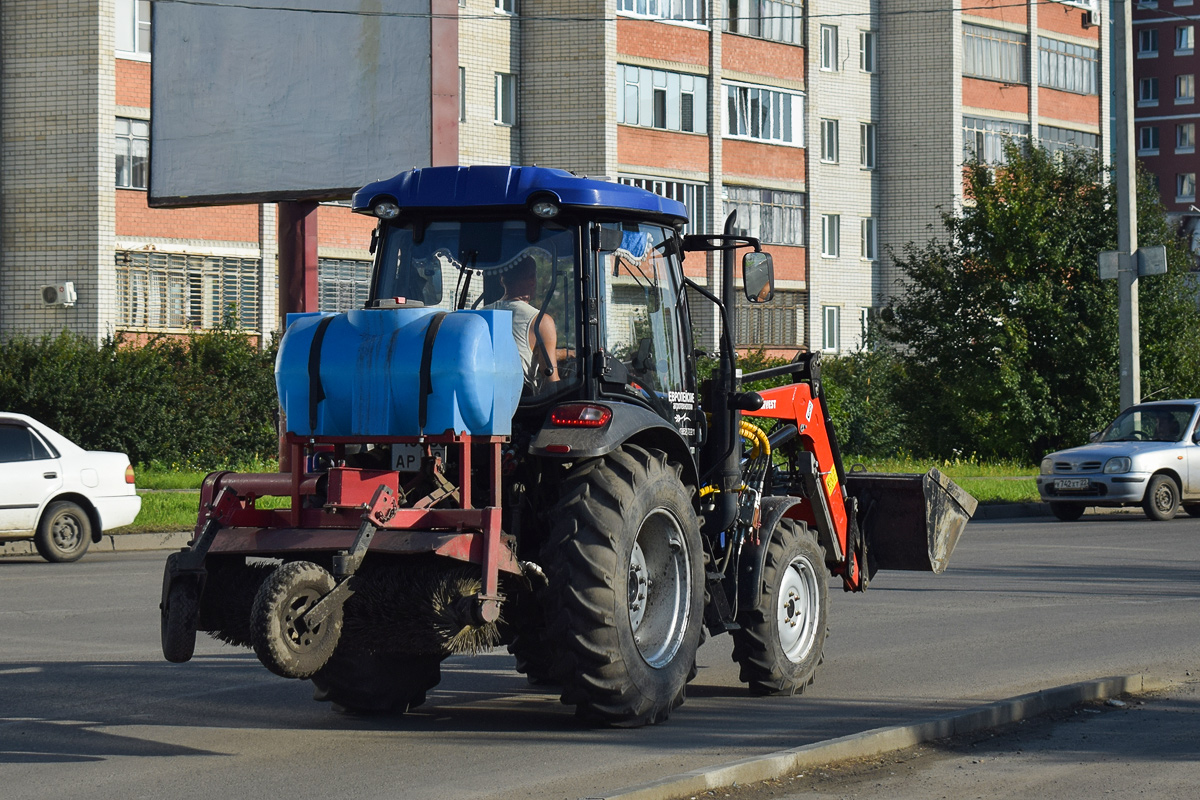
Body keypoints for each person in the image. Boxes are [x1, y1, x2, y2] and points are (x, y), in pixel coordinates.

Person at [489, 255, 558, 391]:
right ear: (532, 281)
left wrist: (565, 353)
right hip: (521, 401)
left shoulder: (480, 313)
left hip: (486, 397)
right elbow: (551, 379)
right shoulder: (540, 321)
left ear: (502, 280)